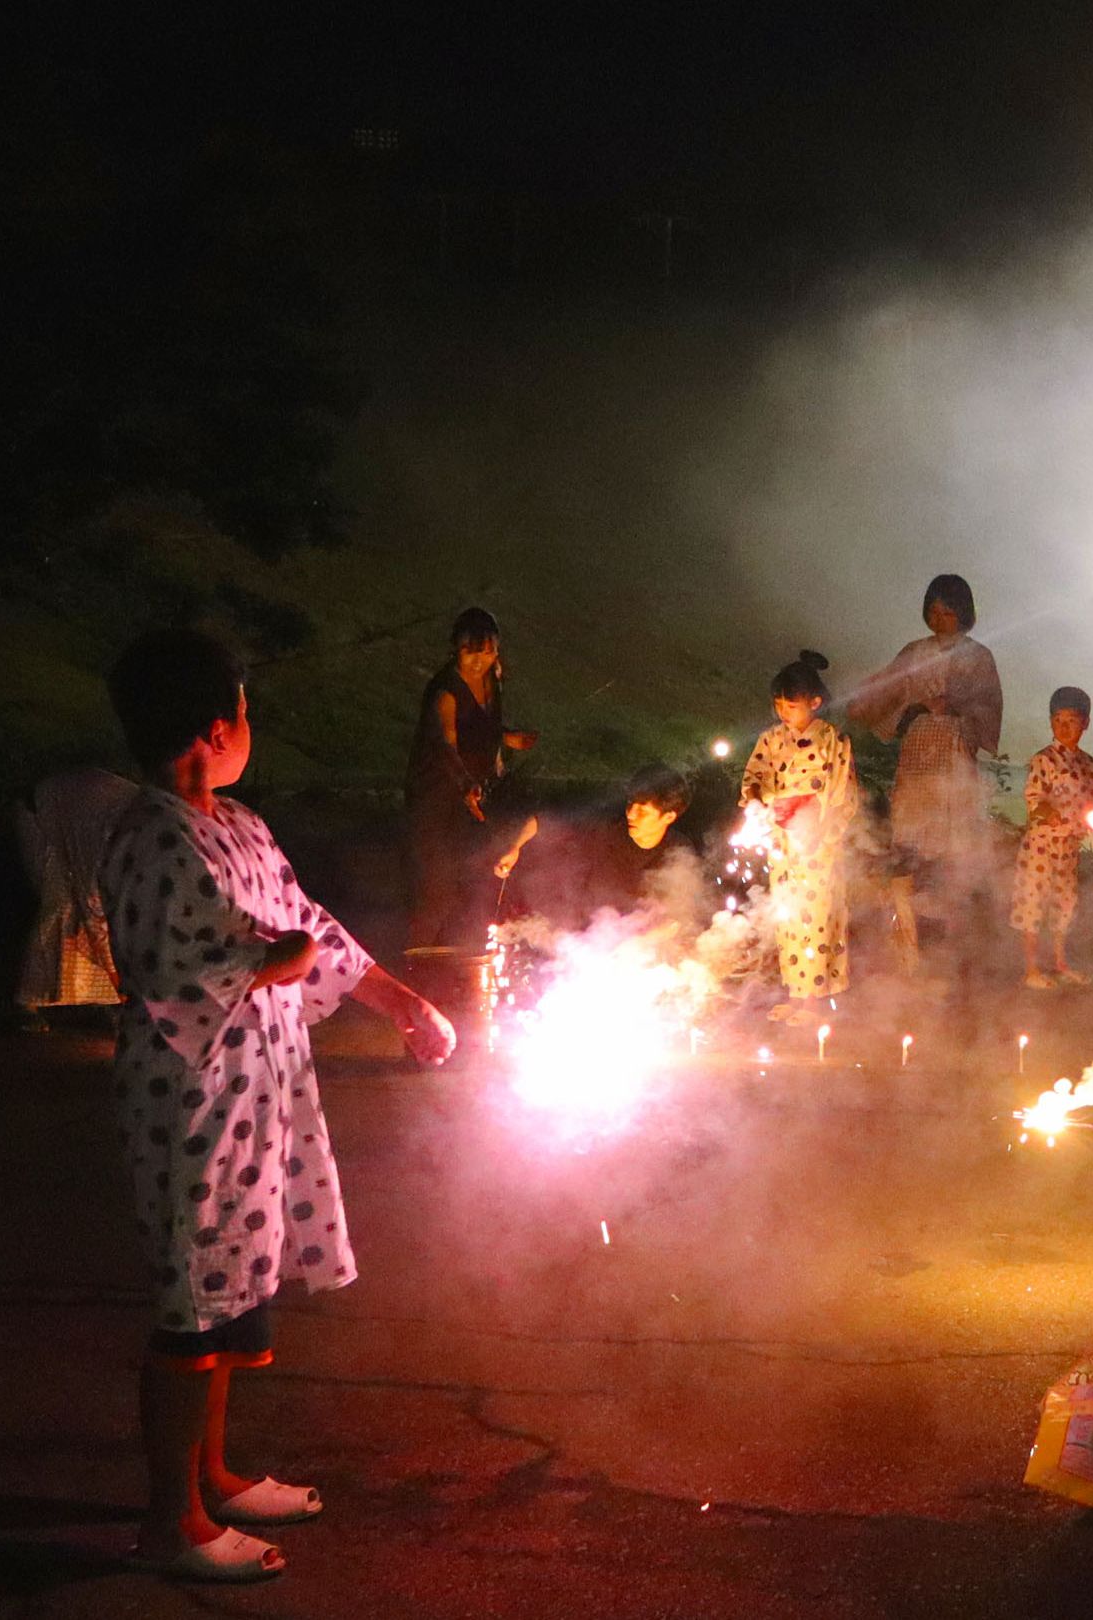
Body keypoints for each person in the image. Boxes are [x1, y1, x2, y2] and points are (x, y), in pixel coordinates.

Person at [99, 629, 455, 1583]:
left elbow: (313, 926)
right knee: (193, 1304)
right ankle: (170, 1519)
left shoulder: (242, 825)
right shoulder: (148, 834)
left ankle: (211, 1476)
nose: (251, 730)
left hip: (257, 1099)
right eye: (247, 715)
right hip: (192, 1106)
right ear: (215, 729)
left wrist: (400, 1001)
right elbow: (155, 967)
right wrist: (267, 964)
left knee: (232, 1291)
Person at [852, 575, 1003, 944]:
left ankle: (950, 928)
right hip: (919, 746)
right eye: (933, 612)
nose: (939, 620)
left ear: (963, 614)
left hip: (954, 746)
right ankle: (907, 925)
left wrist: (959, 709)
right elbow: (889, 689)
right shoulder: (914, 652)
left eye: (947, 612)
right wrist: (881, 704)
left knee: (951, 835)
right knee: (912, 829)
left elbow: (989, 703)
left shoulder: (978, 656)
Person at [405, 608, 538, 948]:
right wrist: (465, 784)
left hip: (476, 791)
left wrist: (508, 739)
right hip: (438, 793)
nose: (479, 660)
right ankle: (414, 961)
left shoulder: (493, 676)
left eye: (487, 651)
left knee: (479, 872)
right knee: (438, 885)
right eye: (470, 652)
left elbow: (482, 726)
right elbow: (446, 744)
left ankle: (466, 954)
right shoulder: (445, 691)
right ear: (455, 649)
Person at [740, 651, 858, 1007]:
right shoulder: (771, 740)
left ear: (815, 703)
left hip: (817, 843)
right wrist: (760, 799)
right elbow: (754, 778)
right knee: (788, 919)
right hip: (783, 842)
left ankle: (814, 1001)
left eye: (790, 705)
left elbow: (843, 794)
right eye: (778, 705)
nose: (783, 713)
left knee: (816, 921)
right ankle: (796, 994)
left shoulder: (834, 741)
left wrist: (820, 829)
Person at [496, 763, 698, 931]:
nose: (630, 815)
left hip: (643, 954)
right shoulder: (604, 827)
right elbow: (542, 821)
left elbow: (676, 919)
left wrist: (633, 945)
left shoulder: (678, 853)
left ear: (669, 816)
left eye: (642, 811)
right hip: (588, 940)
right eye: (630, 804)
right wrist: (515, 847)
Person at [15, 766, 140, 1026]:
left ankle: (103, 999)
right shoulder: (105, 842)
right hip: (42, 815)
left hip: (75, 813)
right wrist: (118, 977)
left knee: (102, 914)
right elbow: (93, 906)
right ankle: (28, 1001)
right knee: (60, 904)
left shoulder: (142, 834)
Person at [1013, 685, 1093, 988]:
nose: (1063, 726)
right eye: (1057, 720)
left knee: (1064, 904)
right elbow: (1033, 798)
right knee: (1034, 903)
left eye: (1071, 720)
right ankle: (1031, 969)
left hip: (1069, 847)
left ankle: (1060, 963)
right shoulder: (1044, 759)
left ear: (1086, 723)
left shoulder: (1087, 763)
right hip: (1041, 846)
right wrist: (1046, 812)